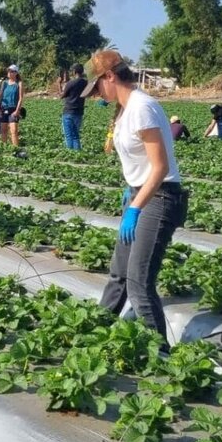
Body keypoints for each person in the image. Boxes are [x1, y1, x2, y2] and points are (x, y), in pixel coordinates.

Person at [81, 50, 187, 345]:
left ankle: (161, 354)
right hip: (140, 194)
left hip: (160, 198)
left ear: (110, 77)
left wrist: (135, 208)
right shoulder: (125, 108)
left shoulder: (142, 107)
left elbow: (161, 166)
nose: (96, 94)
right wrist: (131, 192)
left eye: (97, 86)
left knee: (139, 283)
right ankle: (95, 335)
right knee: (119, 275)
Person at [59, 63, 87, 150]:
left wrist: (58, 84)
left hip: (68, 111)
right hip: (79, 112)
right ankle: (77, 154)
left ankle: (70, 153)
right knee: (75, 134)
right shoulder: (85, 83)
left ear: (74, 71)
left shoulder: (71, 83)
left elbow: (61, 95)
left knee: (68, 135)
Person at [0, 65, 24, 147]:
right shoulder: (4, 83)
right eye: (8, 71)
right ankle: (3, 148)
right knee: (3, 130)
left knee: (14, 130)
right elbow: (0, 96)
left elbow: (21, 98)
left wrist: (17, 111)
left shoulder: (19, 83)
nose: (9, 73)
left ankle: (15, 149)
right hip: (4, 108)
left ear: (16, 73)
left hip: (13, 110)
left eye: (12, 71)